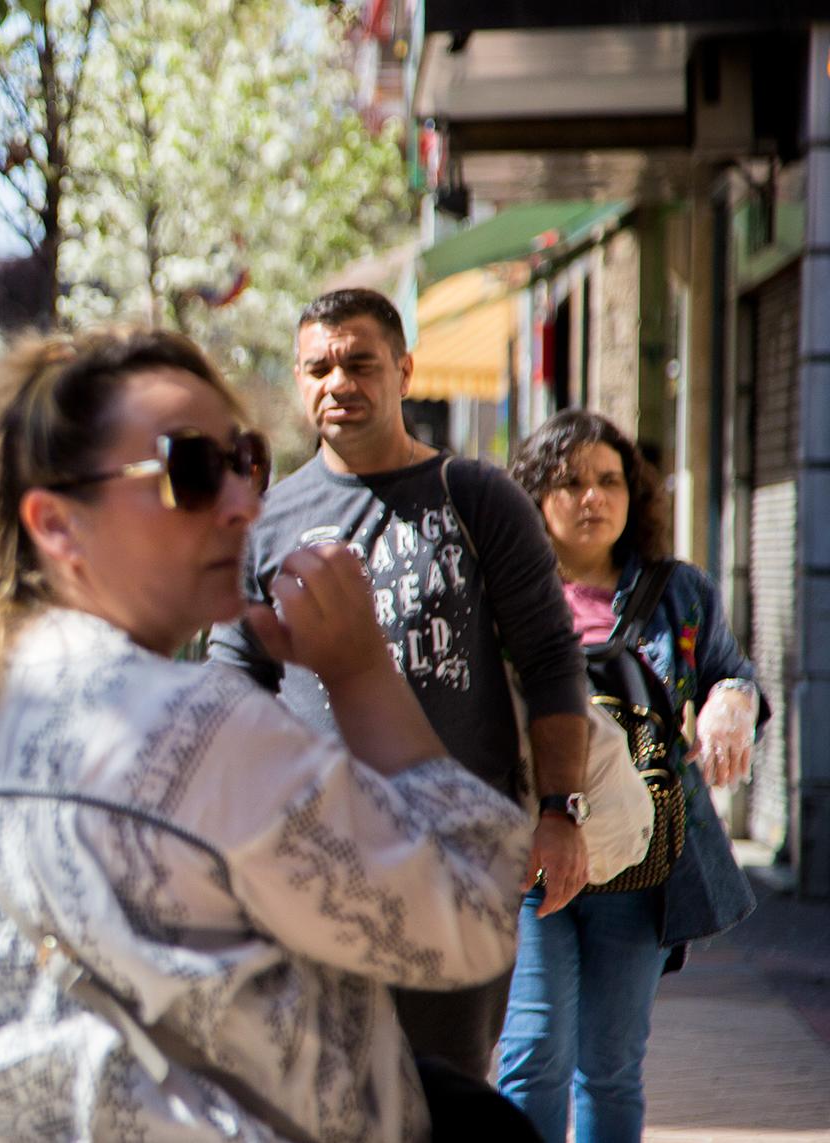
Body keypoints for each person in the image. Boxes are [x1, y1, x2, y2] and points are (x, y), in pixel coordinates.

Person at [0, 329, 538, 1142]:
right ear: (55, 524)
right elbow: (471, 917)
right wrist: (362, 673)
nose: (242, 504)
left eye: (246, 460)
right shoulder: (197, 725)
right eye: (186, 470)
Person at [207, 287, 593, 1080]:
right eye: (318, 367)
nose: (337, 382)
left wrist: (560, 811)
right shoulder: (267, 521)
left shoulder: (480, 499)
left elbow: (552, 659)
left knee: (442, 1087)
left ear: (404, 370)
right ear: (298, 379)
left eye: (359, 362)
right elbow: (231, 678)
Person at [496, 409, 762, 1143]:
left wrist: (727, 705)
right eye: (571, 481)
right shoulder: (502, 592)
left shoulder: (679, 592)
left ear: (633, 493)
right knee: (532, 1052)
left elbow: (732, 674)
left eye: (609, 480)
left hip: (645, 863)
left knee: (611, 1064)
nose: (593, 497)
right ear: (532, 494)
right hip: (526, 855)